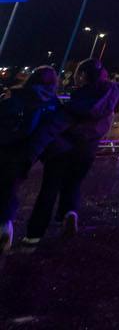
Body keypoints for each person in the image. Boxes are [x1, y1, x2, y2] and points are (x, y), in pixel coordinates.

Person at [23, 59, 119, 243]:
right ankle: (69, 213)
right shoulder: (111, 94)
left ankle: (34, 235)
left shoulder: (74, 105)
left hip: (62, 151)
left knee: (49, 190)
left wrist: (29, 157)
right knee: (73, 184)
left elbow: (50, 130)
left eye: (78, 73)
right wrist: (115, 105)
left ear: (84, 76)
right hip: (87, 150)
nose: (75, 77)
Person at [1, 68, 61, 253]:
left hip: (6, 147)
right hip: (27, 153)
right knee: (10, 188)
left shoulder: (18, 94)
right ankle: (4, 227)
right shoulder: (53, 103)